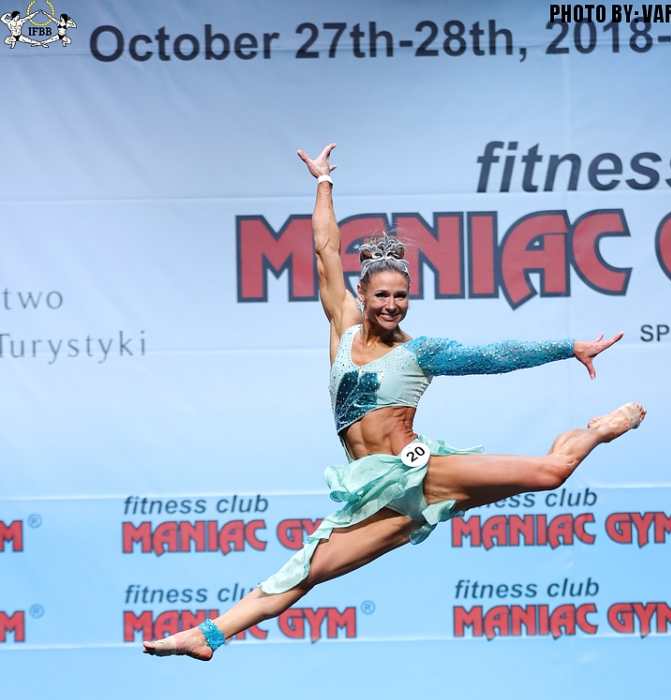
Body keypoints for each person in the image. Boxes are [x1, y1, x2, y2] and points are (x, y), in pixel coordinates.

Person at [143, 143, 645, 660]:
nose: (391, 305)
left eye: (400, 297)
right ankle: (206, 637)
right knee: (306, 571)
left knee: (552, 472)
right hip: (374, 495)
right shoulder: (343, 328)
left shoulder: (421, 352)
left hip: (418, 474)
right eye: (381, 296)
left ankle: (599, 430)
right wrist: (323, 183)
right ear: (362, 295)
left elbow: (494, 356)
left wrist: (568, 347)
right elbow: (325, 250)